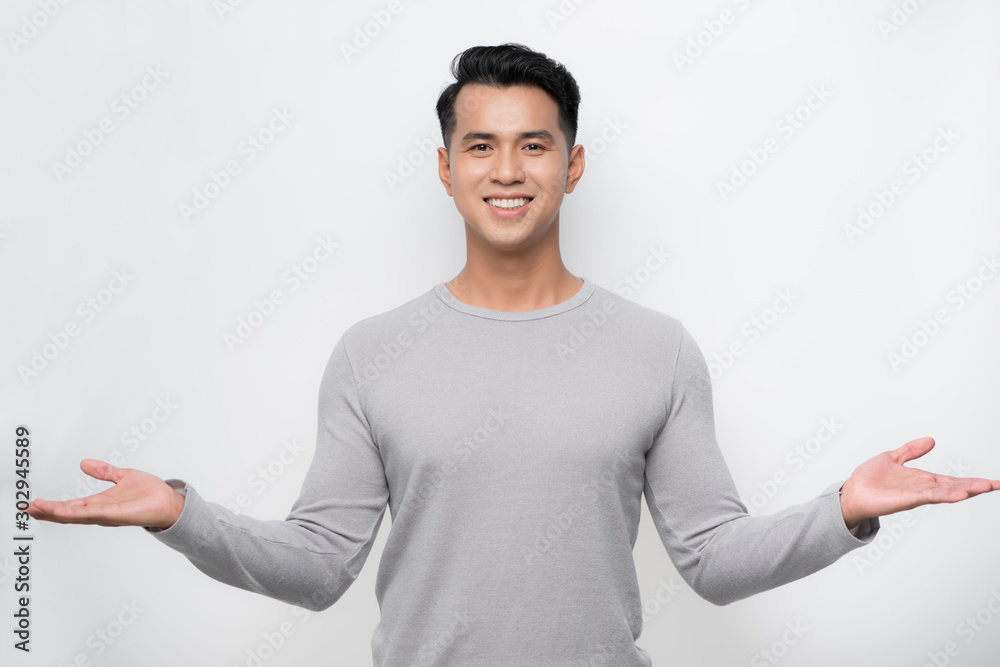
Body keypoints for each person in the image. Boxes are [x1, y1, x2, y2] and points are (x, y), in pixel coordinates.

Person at [27, 43, 1000, 666]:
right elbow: (320, 564)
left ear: (572, 165)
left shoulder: (655, 349)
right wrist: (180, 514)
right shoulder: (373, 354)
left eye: (534, 145)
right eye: (481, 146)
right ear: (445, 167)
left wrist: (844, 511)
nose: (506, 170)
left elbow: (710, 557)